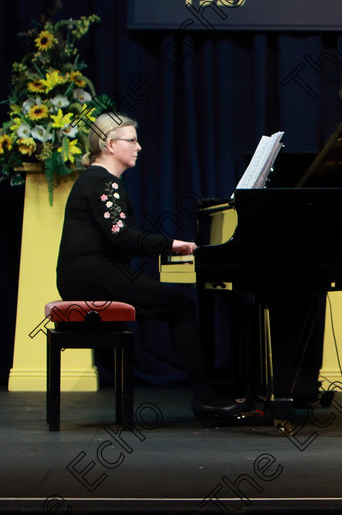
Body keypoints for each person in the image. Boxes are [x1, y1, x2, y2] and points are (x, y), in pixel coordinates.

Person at [56, 113, 247, 423]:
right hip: (92, 277)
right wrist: (170, 245)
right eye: (132, 141)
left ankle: (210, 392)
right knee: (181, 308)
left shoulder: (95, 180)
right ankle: (206, 398)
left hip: (86, 275)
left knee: (176, 306)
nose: (139, 147)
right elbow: (121, 236)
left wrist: (163, 247)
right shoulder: (104, 181)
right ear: (110, 144)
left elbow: (118, 239)